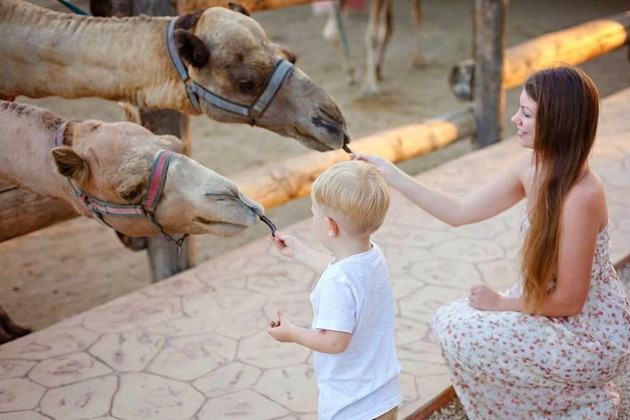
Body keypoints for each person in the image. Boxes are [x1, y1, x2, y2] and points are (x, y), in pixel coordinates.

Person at [353, 65, 630, 419]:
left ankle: (583, 405)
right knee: (448, 321)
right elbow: (460, 211)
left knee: (460, 332)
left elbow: (570, 301)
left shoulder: (582, 195)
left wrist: (502, 303)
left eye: (526, 113)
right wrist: (391, 174)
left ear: (558, 122)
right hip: (546, 303)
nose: (514, 118)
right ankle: (539, 407)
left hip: (587, 332)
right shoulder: (532, 165)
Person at [267, 160, 402, 420]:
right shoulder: (372, 255)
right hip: (384, 392)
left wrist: (292, 333)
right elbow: (343, 275)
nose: (312, 219)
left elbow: (334, 341)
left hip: (352, 404)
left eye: (313, 213)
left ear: (330, 226)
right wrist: (299, 252)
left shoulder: (336, 283)